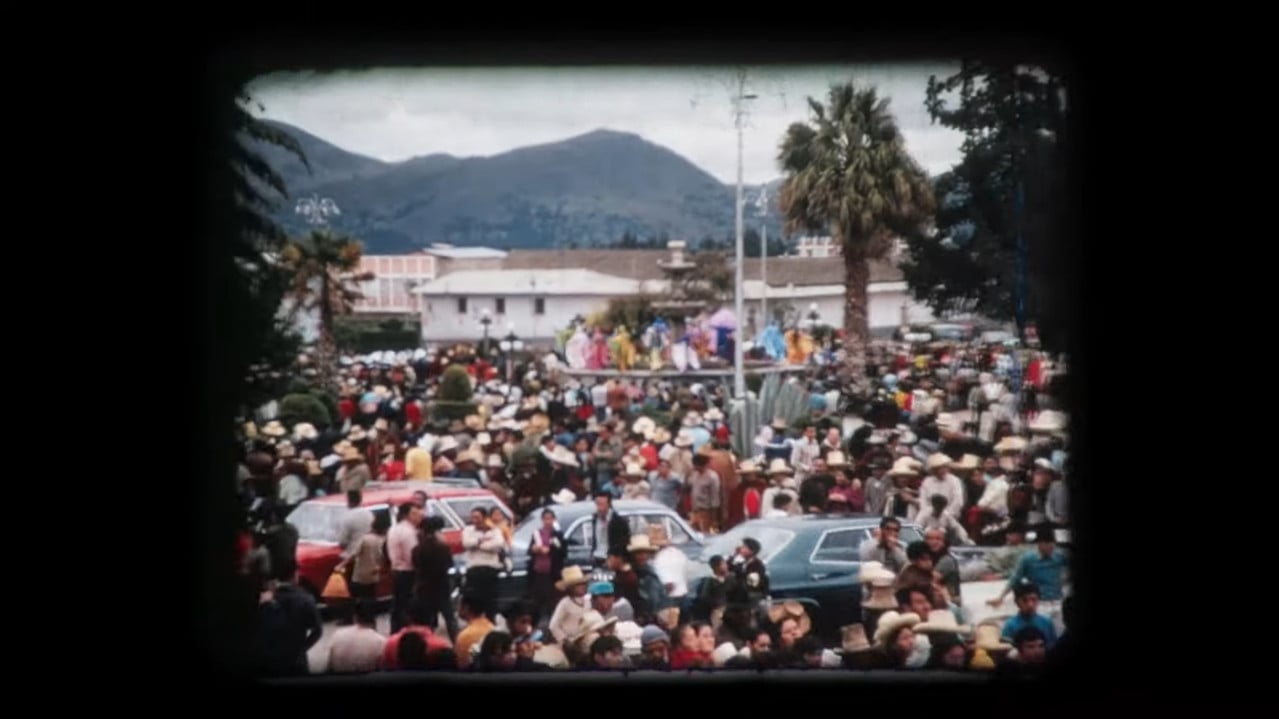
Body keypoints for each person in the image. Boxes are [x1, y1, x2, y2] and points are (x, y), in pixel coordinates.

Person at [987, 523, 1068, 634]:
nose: (1050, 547)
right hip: (1040, 603)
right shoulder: (1028, 559)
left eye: (1052, 543)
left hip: (1058, 601)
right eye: (1047, 543)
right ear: (1040, 544)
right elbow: (1015, 578)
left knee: (1060, 634)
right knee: (1040, 634)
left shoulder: (1059, 557)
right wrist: (1001, 597)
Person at [412, 516, 458, 642]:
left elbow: (416, 566)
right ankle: (457, 643)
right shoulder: (443, 547)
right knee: (450, 618)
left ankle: (428, 643)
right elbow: (450, 564)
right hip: (442, 586)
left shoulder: (417, 549)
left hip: (424, 587)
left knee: (428, 620)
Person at [461, 507, 507, 618]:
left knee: (490, 600)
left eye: (477, 517)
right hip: (473, 569)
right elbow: (466, 543)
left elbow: (498, 544)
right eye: (472, 517)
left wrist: (479, 545)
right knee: (474, 600)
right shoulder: (468, 530)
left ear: (484, 518)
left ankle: (490, 622)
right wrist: (480, 540)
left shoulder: (495, 531)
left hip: (490, 569)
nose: (474, 520)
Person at [527, 508, 568, 622]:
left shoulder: (558, 535)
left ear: (554, 520)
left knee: (552, 602)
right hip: (538, 573)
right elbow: (530, 551)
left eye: (550, 518)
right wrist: (535, 549)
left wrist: (550, 550)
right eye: (545, 519)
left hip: (552, 573)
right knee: (537, 602)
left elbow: (563, 552)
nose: (547, 521)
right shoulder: (537, 534)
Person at [387, 501, 422, 633]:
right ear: (406, 515)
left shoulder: (393, 528)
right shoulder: (408, 532)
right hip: (407, 571)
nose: (418, 516)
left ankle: (395, 631)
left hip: (396, 570)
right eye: (414, 514)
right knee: (406, 605)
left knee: (397, 604)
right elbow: (412, 556)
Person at [326, 599, 386, 673]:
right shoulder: (381, 642)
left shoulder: (337, 635)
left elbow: (329, 668)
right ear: (374, 619)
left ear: (355, 617)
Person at [999, 581, 1058, 649]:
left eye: (1034, 599)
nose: (1030, 604)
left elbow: (1053, 646)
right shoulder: (1010, 625)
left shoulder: (1046, 622)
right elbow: (1006, 650)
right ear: (1016, 602)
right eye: (1024, 600)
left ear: (1039, 600)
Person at [587, 492, 630, 569]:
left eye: (602, 505)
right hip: (597, 557)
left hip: (610, 560)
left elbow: (623, 542)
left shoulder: (618, 521)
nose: (599, 508)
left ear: (608, 505)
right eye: (597, 504)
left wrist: (615, 556)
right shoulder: (595, 519)